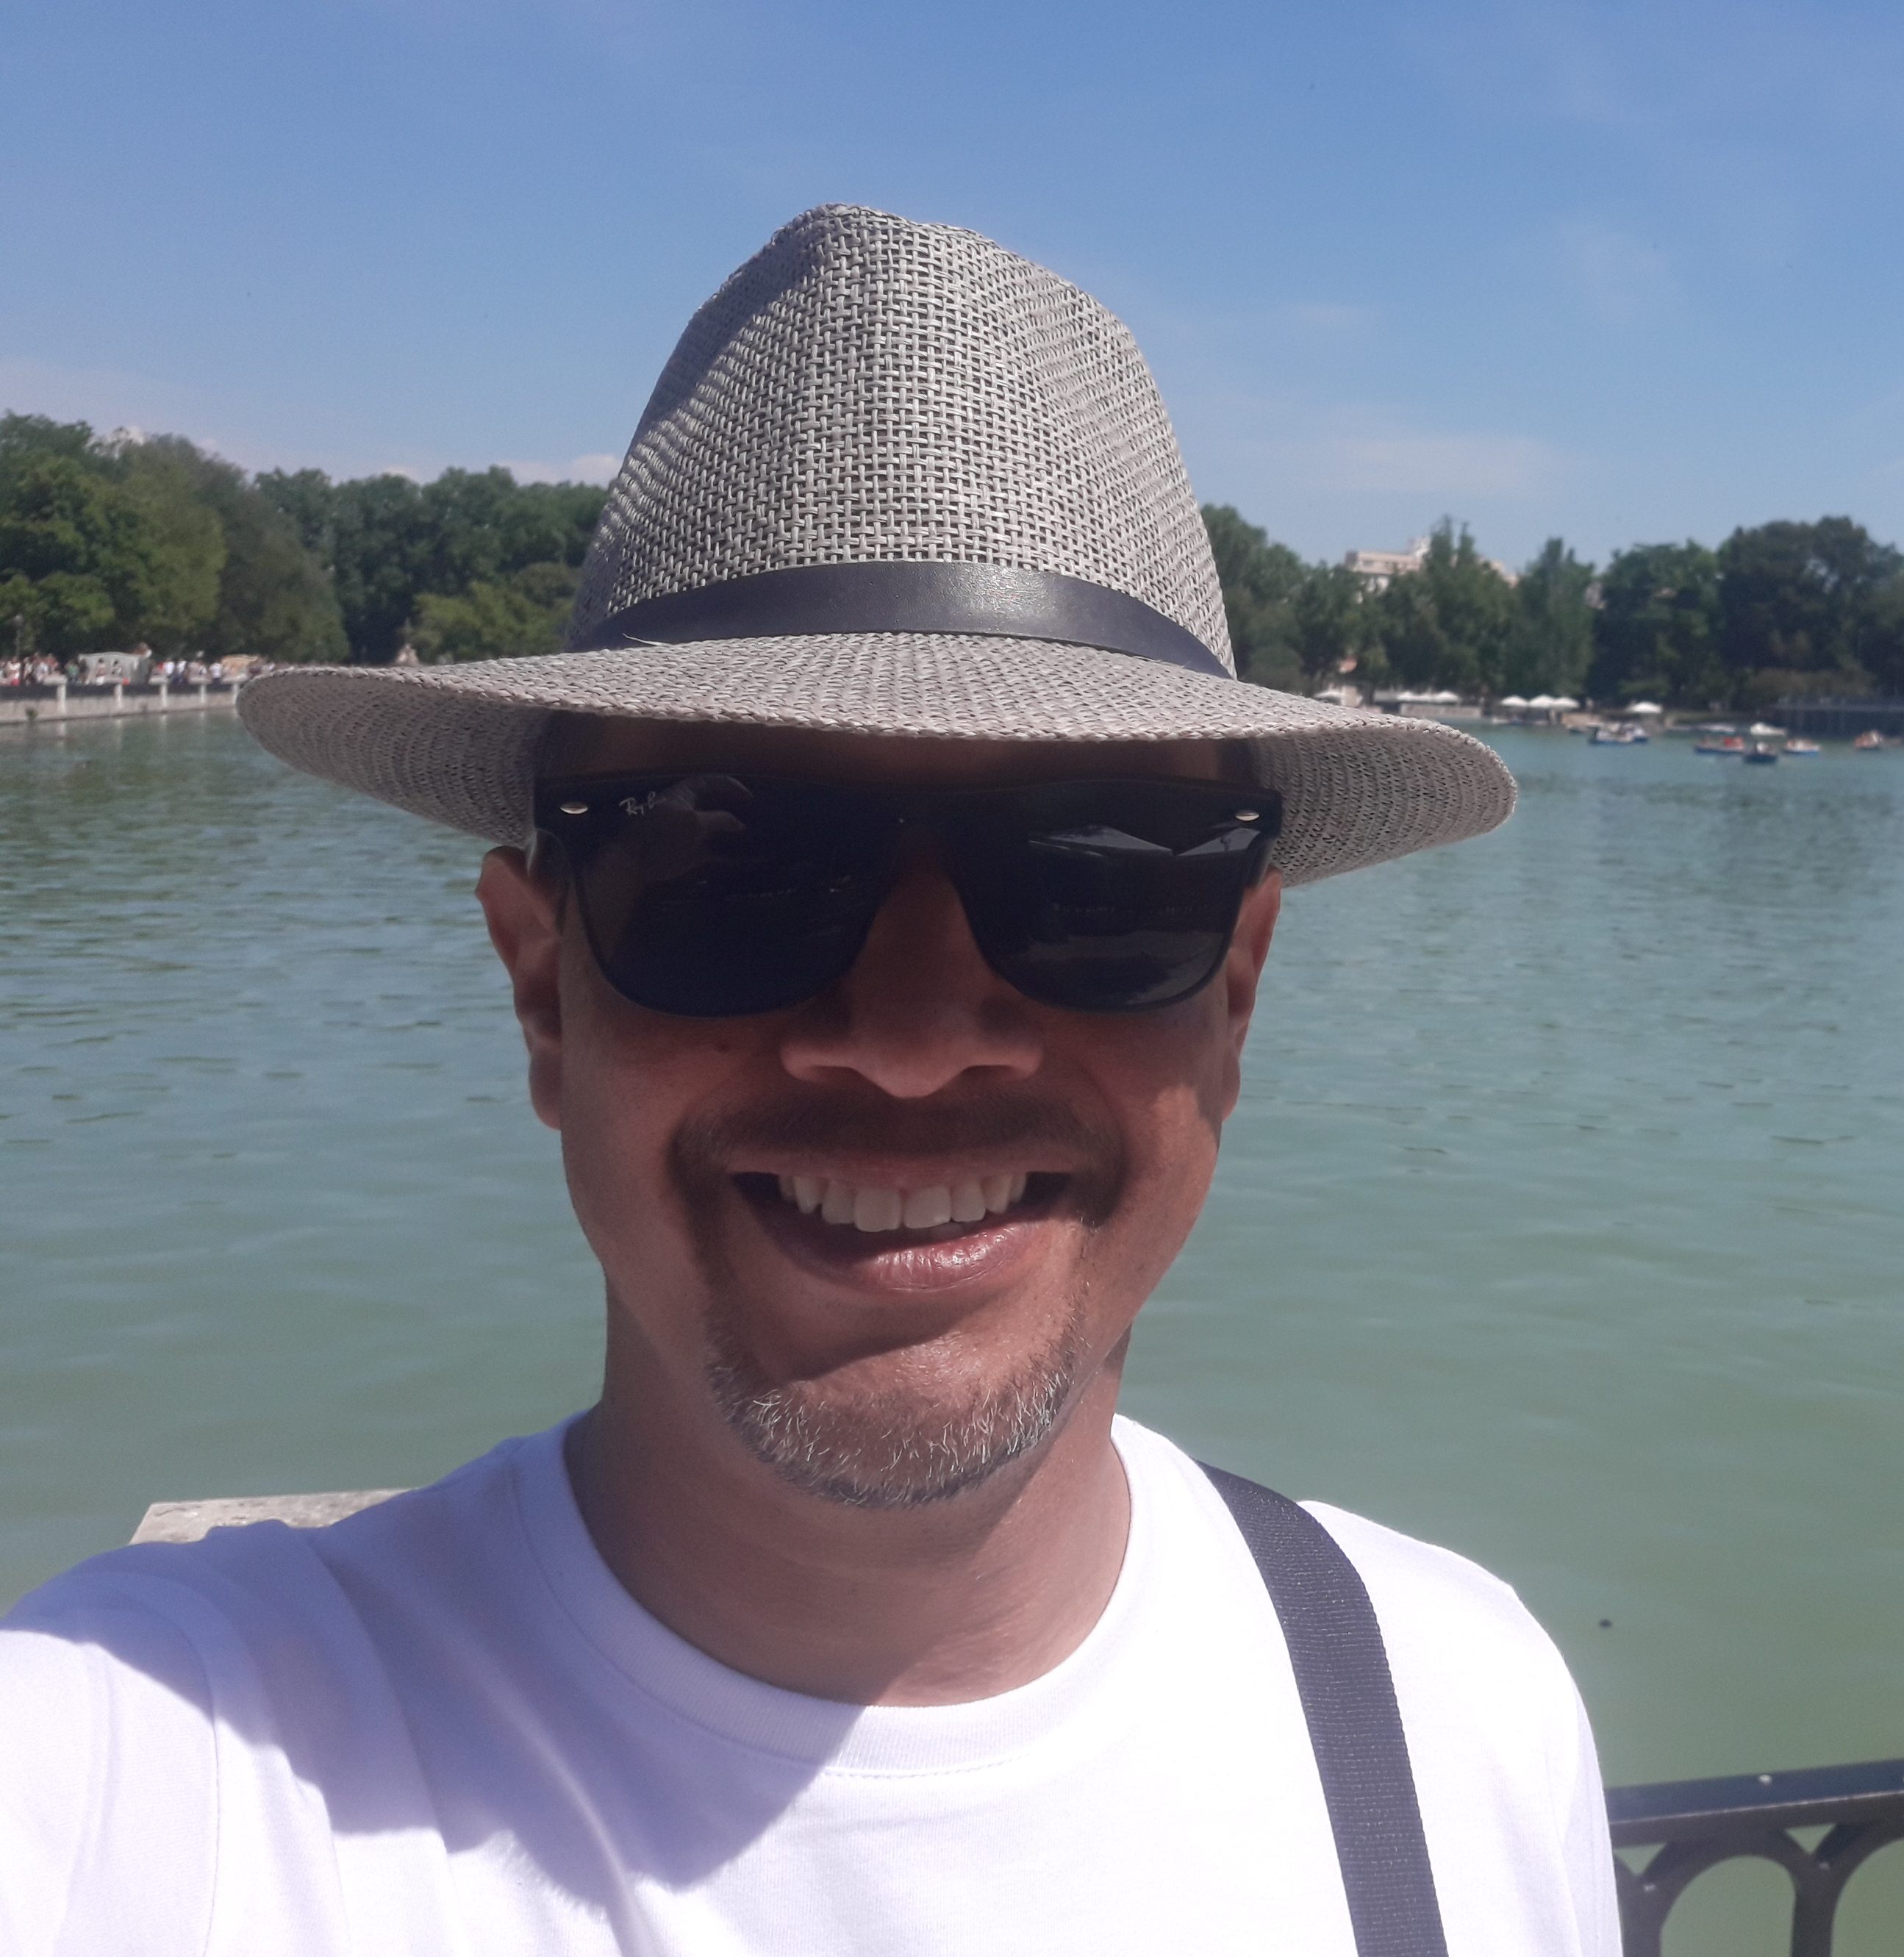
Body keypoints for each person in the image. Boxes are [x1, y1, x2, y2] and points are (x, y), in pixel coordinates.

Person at [0, 206, 1619, 1956]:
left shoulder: (1458, 1720)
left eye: (1095, 878)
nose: (912, 1035)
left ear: (1232, 991)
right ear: (542, 989)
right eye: (732, 863)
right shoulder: (128, 1778)